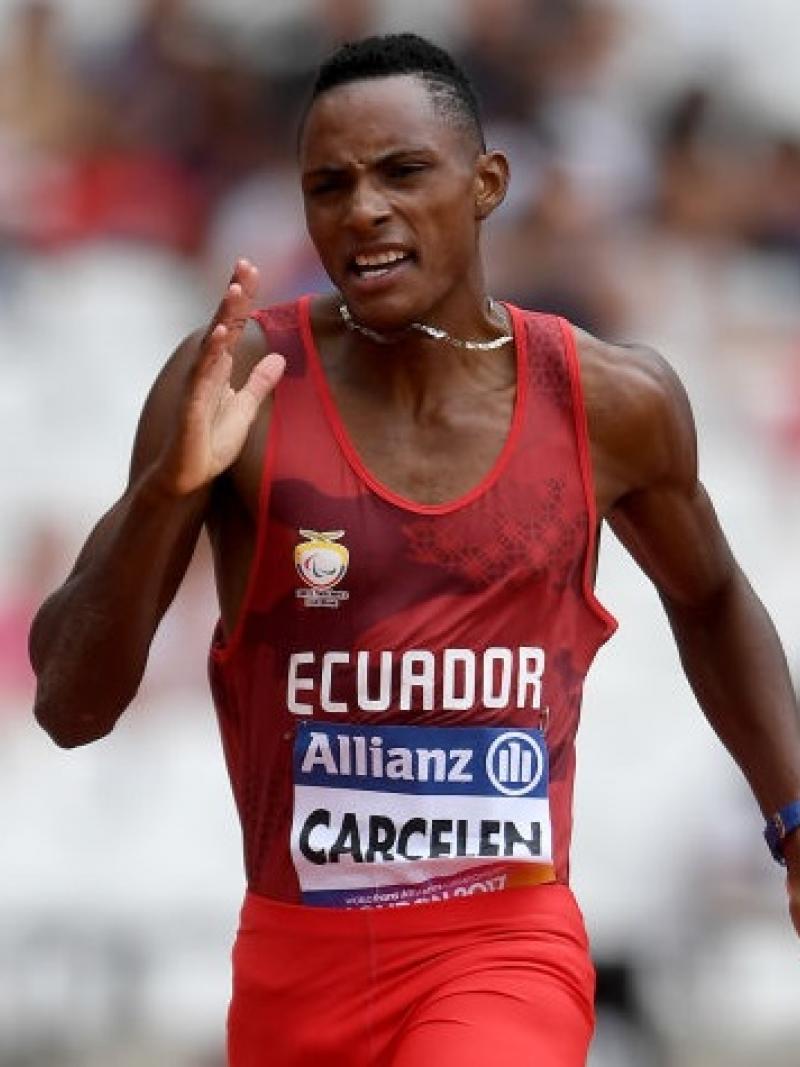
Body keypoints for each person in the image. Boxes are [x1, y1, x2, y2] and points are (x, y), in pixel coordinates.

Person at [29, 32, 800, 1067]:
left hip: (501, 949)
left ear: (486, 184)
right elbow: (71, 708)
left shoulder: (611, 401)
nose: (363, 210)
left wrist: (790, 814)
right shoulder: (239, 388)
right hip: (290, 967)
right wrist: (167, 492)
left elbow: (708, 597)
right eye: (327, 183)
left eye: (401, 172)